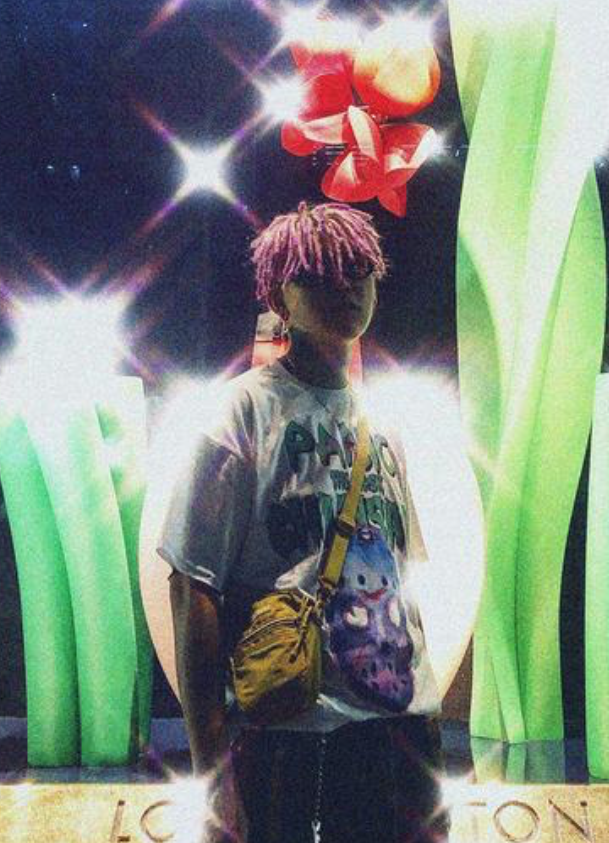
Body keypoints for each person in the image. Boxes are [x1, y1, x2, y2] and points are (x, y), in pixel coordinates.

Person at [158, 201, 448, 843]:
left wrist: (428, 724)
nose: (345, 286)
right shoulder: (241, 414)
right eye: (318, 274)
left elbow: (402, 581)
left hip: (398, 730)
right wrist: (211, 771)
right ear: (278, 298)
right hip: (289, 732)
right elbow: (193, 587)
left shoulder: (383, 420)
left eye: (357, 269)